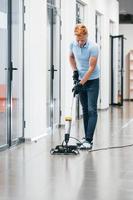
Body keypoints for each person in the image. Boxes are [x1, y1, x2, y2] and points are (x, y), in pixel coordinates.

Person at [69, 24, 99, 149]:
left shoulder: (93, 47)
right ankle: (86, 138)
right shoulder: (73, 44)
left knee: (92, 109)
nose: (80, 42)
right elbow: (71, 57)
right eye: (78, 40)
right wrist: (75, 71)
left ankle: (89, 140)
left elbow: (91, 68)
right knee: (84, 109)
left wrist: (81, 84)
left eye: (82, 40)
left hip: (92, 81)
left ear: (86, 36)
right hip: (81, 79)